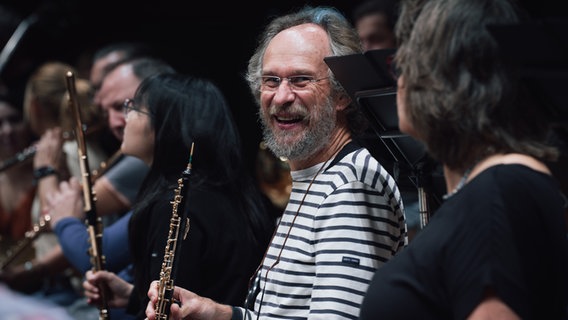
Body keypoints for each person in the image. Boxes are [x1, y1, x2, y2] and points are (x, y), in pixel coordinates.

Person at [145, 6, 408, 320]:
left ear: (342, 95)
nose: (281, 97)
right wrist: (218, 313)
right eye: (271, 81)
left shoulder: (349, 187)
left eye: (300, 80)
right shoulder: (318, 176)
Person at [358, 0, 568, 319]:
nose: (398, 79)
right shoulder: (489, 189)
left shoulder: (497, 191)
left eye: (403, 64)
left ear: (447, 77)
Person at [60, 72, 275, 318]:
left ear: (164, 127)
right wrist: (133, 296)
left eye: (133, 107)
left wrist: (64, 220)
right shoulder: (222, 191)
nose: (125, 118)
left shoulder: (176, 203)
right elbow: (195, 296)